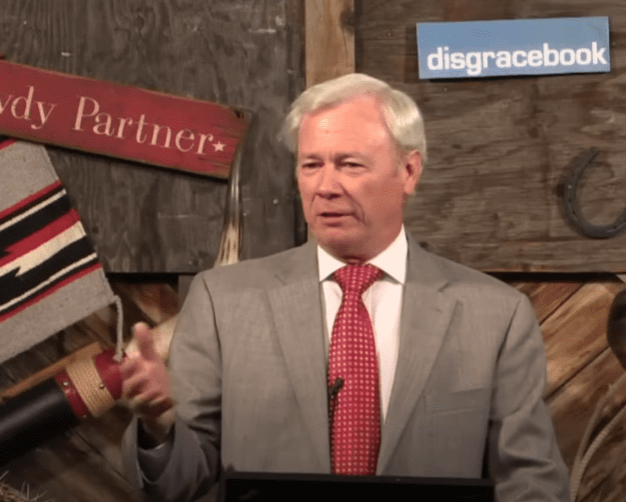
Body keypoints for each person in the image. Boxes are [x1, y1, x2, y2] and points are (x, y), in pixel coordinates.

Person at [120, 73, 571, 502]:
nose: (325, 187)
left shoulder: (494, 315)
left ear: (409, 172)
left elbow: (530, 481)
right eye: (311, 165)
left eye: (349, 165)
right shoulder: (223, 302)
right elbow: (177, 485)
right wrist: (161, 426)